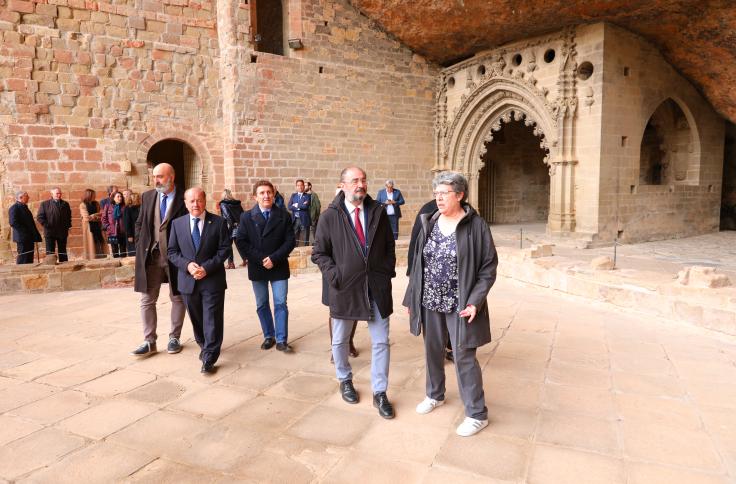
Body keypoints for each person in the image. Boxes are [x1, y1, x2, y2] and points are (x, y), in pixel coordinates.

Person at [403, 171, 498, 437]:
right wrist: (412, 296)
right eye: (436, 193)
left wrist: (475, 301)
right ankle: (435, 394)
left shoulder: (476, 226)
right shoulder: (429, 221)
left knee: (464, 356)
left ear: (460, 195)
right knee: (432, 351)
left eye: (444, 193)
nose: (438, 198)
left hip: (461, 303)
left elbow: (488, 267)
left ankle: (477, 414)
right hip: (429, 299)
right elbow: (417, 263)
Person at [312, 166, 396, 419]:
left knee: (381, 341)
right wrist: (336, 275)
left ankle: (380, 392)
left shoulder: (379, 212)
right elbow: (319, 253)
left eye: (363, 180)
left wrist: (385, 272)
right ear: (343, 185)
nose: (360, 184)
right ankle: (344, 378)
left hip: (376, 287)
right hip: (345, 288)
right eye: (355, 180)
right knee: (339, 340)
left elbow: (388, 247)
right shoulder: (329, 216)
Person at [168, 187, 231, 373]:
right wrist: (187, 265)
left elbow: (225, 249)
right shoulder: (177, 224)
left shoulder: (219, 223)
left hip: (212, 280)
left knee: (212, 318)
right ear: (186, 203)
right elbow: (172, 252)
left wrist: (207, 268)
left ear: (205, 200)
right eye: (192, 201)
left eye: (199, 200)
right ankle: (204, 346)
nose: (196, 204)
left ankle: (210, 356)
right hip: (188, 281)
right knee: (197, 319)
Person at [130, 163, 188, 357]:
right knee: (146, 299)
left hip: (176, 256)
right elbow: (140, 223)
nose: (156, 180)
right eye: (154, 176)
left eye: (160, 176)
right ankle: (149, 341)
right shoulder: (148, 196)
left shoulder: (184, 197)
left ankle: (174, 337)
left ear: (172, 176)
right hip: (151, 256)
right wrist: (140, 243)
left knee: (178, 296)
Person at [236, 180, 296, 352]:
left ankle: (281, 339)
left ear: (274, 194)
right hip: (258, 266)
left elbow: (290, 241)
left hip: (278, 265)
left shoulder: (284, 215)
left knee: (280, 303)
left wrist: (274, 258)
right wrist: (262, 259)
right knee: (262, 304)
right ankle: (268, 335)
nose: (266, 196)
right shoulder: (246, 217)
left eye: (269, 192)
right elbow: (241, 241)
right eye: (262, 193)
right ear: (255, 196)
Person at [408, 198, 454, 363]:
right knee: (432, 323)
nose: (441, 196)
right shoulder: (428, 209)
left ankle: (452, 348)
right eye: (439, 192)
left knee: (452, 319)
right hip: (429, 280)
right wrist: (411, 273)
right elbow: (415, 242)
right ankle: (437, 352)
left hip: (454, 284)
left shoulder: (466, 212)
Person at [36, 187, 72, 262]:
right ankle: (51, 267)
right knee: (50, 251)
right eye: (57, 193)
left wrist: (67, 226)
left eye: (60, 193)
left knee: (63, 251)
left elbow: (69, 216)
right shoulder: (45, 204)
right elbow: (40, 217)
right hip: (50, 232)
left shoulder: (65, 204)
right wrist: (47, 225)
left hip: (62, 232)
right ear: (52, 194)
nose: (59, 195)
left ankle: (65, 266)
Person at [9, 190, 41, 264]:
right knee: (23, 258)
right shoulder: (14, 208)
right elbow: (13, 222)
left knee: (29, 258)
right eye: (26, 196)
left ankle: (28, 274)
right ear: (20, 197)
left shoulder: (24, 207)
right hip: (22, 238)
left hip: (29, 237)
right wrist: (25, 232)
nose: (28, 197)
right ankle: (20, 274)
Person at [218, 189, 244, 269]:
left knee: (228, 245)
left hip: (230, 226)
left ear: (223, 195)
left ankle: (231, 263)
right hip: (238, 225)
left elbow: (227, 215)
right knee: (239, 244)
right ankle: (246, 260)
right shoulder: (237, 203)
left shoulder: (223, 204)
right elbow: (242, 214)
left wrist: (230, 225)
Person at [80, 189, 105, 260]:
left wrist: (93, 216)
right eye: (94, 194)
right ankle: (92, 259)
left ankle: (101, 258)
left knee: (99, 242)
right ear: (89, 195)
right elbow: (86, 218)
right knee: (91, 244)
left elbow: (101, 215)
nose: (95, 196)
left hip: (98, 226)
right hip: (89, 227)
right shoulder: (83, 205)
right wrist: (96, 216)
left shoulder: (96, 203)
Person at [101, 191, 127, 258]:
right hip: (112, 231)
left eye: (121, 196)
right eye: (118, 196)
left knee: (123, 249)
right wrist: (108, 226)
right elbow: (104, 218)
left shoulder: (124, 207)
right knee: (114, 249)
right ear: (113, 198)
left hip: (122, 230)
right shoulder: (108, 206)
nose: (120, 198)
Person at [288, 179, 311, 246]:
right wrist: (300, 205)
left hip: (304, 220)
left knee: (304, 239)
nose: (300, 187)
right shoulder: (293, 195)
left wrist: (295, 205)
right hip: (295, 220)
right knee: (294, 238)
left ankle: (304, 254)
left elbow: (305, 206)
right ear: (296, 187)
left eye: (301, 185)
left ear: (303, 186)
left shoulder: (308, 196)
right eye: (298, 185)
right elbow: (289, 206)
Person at [124, 192, 141, 257]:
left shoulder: (140, 207)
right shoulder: (128, 208)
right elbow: (127, 222)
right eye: (135, 197)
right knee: (133, 253)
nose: (137, 199)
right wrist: (129, 235)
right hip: (132, 233)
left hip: (140, 233)